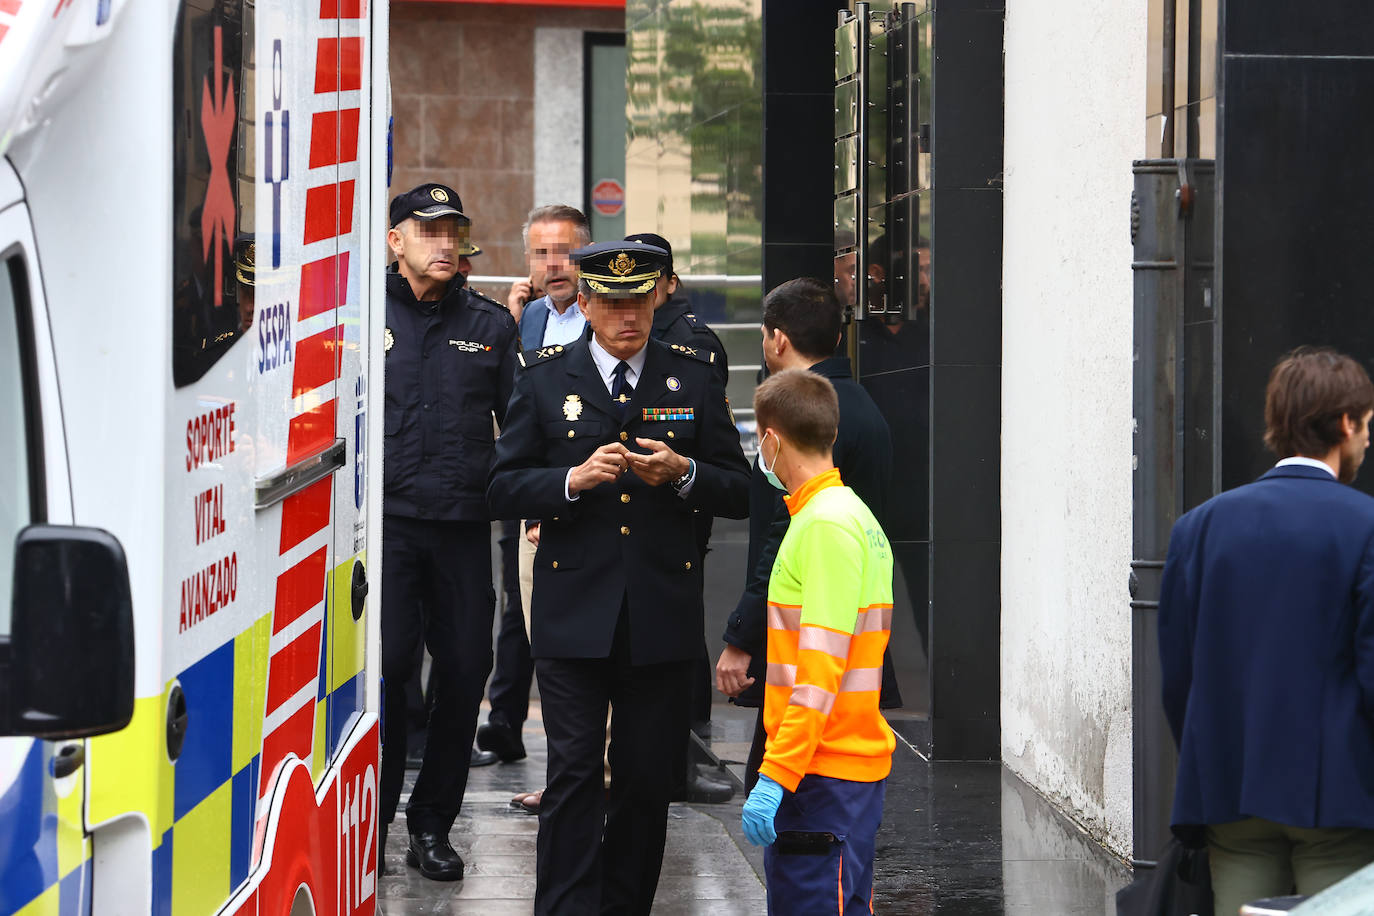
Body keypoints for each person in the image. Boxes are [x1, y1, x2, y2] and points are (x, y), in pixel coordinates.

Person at [487, 240, 750, 915]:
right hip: (574, 609)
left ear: (658, 295)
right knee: (574, 772)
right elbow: (502, 486)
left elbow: (739, 488)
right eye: (609, 302)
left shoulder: (690, 374)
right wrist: (569, 481)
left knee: (641, 779)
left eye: (638, 300)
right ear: (584, 301)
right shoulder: (545, 376)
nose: (626, 316)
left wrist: (684, 475)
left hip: (660, 612)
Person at [1158, 346, 1374, 915]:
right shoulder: (1366, 527)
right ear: (1346, 423)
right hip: (1340, 800)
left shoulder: (1197, 529)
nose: (1367, 440)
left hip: (1231, 791)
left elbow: (1179, 678)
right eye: (1368, 425)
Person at [379, 183, 517, 881]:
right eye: (428, 229)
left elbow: (520, 430)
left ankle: (432, 824)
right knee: (389, 668)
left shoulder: (492, 326)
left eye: (453, 230)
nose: (444, 242)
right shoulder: (359, 314)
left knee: (465, 670)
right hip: (387, 531)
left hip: (463, 527)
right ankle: (369, 819)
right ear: (394, 240)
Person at [716, 278, 898, 792]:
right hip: (851, 643)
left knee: (790, 803)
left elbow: (781, 533)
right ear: (838, 340)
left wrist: (740, 637)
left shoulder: (805, 417)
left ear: (776, 339)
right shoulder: (862, 404)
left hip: (809, 651)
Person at [738, 367, 895, 915]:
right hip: (841, 770)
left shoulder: (824, 526)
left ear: (772, 439)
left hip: (820, 773)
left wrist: (776, 775)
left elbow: (819, 671)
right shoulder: (852, 516)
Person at [478, 206, 593, 808]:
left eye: (566, 251)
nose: (555, 265)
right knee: (526, 622)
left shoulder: (605, 319)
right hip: (529, 503)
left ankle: (592, 771)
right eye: (542, 253)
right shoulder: (523, 322)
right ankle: (545, 758)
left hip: (590, 504)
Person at [624, 230, 734, 804]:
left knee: (680, 628)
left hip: (677, 508)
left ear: (669, 284)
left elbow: (718, 457)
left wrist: (684, 475)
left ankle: (688, 751)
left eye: (646, 283)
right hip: (615, 519)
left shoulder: (692, 345)